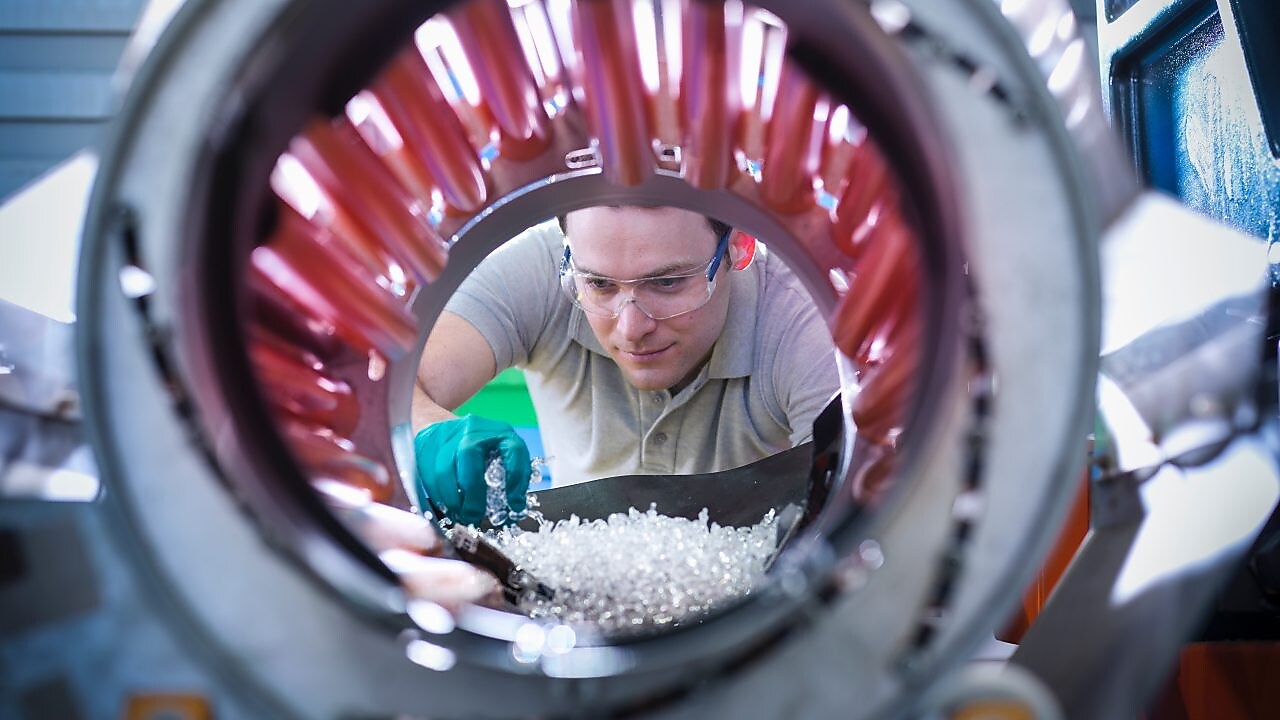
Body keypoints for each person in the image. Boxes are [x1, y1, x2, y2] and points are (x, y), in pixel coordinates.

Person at [411, 205, 839, 525]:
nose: (632, 328)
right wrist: (431, 432)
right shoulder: (538, 267)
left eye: (668, 282)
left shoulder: (801, 318)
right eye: (600, 284)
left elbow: (856, 501)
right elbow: (392, 392)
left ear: (739, 246)